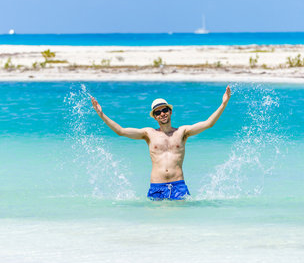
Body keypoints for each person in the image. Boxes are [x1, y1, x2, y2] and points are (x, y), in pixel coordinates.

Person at [91, 85, 231, 200]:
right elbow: (121, 131)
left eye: (164, 110)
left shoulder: (182, 132)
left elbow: (209, 123)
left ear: (170, 112)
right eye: (158, 113)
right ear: (155, 117)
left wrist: (224, 103)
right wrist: (101, 114)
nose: (162, 114)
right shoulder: (149, 134)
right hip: (156, 186)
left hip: (178, 185)